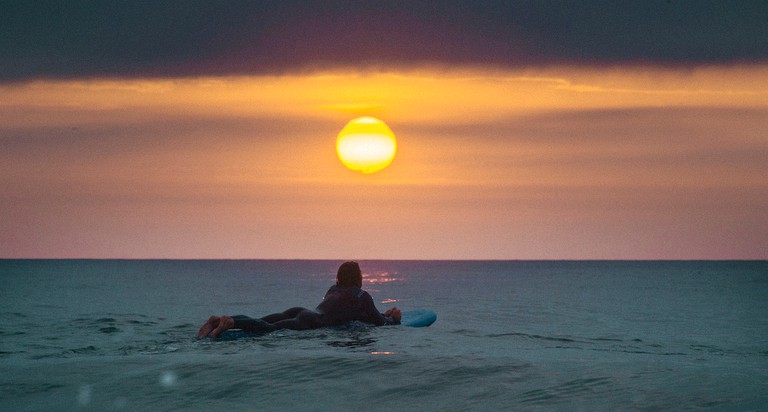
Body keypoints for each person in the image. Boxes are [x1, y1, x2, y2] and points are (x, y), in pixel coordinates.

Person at [197, 261, 401, 338]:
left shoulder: (334, 288)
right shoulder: (361, 295)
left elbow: (350, 314)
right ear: (358, 278)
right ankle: (231, 322)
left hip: (301, 311)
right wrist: (394, 318)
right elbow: (380, 322)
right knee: (269, 330)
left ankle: (217, 321)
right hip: (311, 322)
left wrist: (379, 315)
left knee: (264, 320)